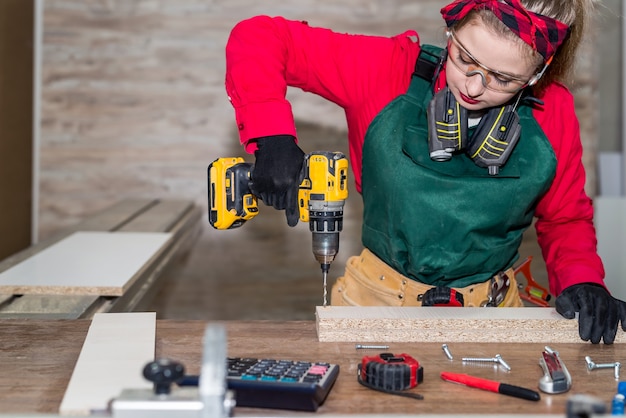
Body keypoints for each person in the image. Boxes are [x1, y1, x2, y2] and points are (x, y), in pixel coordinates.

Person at [224, 0, 626, 344]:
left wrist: (582, 280)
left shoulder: (552, 111)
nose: (472, 86)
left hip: (494, 311)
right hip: (372, 303)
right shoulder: (386, 72)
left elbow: (564, 218)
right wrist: (271, 134)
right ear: (452, 30)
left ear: (538, 73)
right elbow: (258, 36)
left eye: (503, 79)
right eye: (465, 58)